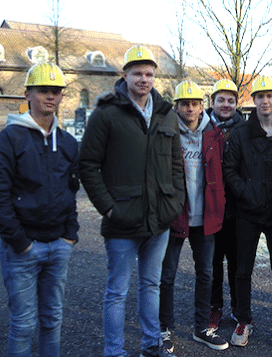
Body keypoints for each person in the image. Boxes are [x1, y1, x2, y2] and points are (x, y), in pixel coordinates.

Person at [78, 45, 185, 357]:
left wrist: (175, 202)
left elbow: (176, 164)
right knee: (116, 292)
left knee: (151, 286)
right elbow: (88, 165)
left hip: (159, 221)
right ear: (124, 75)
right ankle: (115, 351)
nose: (144, 78)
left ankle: (152, 346)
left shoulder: (166, 115)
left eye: (149, 73)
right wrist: (110, 208)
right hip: (122, 220)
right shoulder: (106, 114)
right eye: (137, 73)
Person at [0, 62, 79, 357]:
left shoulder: (67, 142)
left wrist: (70, 235)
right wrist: (20, 243)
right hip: (23, 249)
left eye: (56, 91)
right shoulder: (8, 139)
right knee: (23, 324)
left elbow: (70, 190)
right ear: (27, 94)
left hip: (58, 247)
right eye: (42, 91)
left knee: (52, 321)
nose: (50, 96)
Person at [223, 75, 272, 349]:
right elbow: (229, 170)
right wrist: (246, 192)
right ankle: (244, 319)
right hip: (248, 212)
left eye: (270, 96)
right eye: (260, 96)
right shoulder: (241, 133)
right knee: (243, 269)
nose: (265, 101)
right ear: (252, 100)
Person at [159, 80, 229, 352]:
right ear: (176, 107)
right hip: (175, 215)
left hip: (205, 216)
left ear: (202, 107)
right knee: (167, 276)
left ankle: (202, 328)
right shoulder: (166, 133)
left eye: (194, 104)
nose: (190, 108)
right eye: (184, 104)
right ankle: (164, 329)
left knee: (206, 274)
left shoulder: (214, 135)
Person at [207, 79, 244, 329]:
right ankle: (214, 307)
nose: (226, 104)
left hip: (236, 207)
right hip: (210, 206)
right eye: (221, 99)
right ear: (212, 102)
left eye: (231, 100)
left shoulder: (245, 129)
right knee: (212, 261)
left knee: (236, 260)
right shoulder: (202, 127)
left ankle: (238, 306)